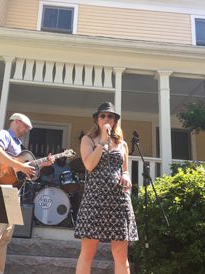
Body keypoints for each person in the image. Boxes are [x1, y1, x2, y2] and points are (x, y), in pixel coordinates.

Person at [0, 113, 53, 274]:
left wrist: (42, 164)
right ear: (16, 122)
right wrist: (20, 165)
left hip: (13, 193)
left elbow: (25, 173)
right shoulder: (4, 135)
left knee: (4, 239)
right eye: (26, 127)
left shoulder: (20, 146)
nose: (27, 130)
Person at [74, 102, 138, 274]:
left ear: (115, 120)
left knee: (120, 252)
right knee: (87, 251)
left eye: (110, 116)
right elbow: (89, 165)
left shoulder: (122, 144)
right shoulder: (87, 140)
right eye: (102, 115)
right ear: (97, 119)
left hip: (118, 201)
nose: (106, 118)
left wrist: (126, 176)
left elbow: (124, 170)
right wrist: (102, 141)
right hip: (94, 200)